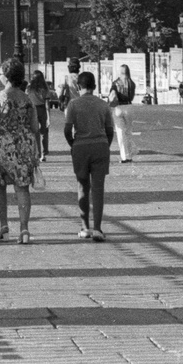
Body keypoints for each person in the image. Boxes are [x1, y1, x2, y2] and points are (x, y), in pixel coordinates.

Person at [0, 60, 41, 244]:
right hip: (24, 146)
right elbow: (35, 127)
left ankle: (4, 227)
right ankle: (24, 229)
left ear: (6, 76)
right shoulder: (27, 100)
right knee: (22, 187)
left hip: (2, 146)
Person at [62, 70, 115, 242]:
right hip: (100, 146)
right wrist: (106, 144)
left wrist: (73, 144)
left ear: (79, 86)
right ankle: (98, 229)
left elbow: (67, 129)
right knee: (98, 189)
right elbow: (109, 130)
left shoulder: (73, 105)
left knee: (82, 187)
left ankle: (85, 228)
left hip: (81, 148)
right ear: (95, 86)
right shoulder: (103, 105)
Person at [109, 64, 137, 164]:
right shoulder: (131, 83)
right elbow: (132, 97)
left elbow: (112, 94)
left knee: (120, 133)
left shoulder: (115, 83)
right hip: (128, 107)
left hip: (118, 108)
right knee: (128, 132)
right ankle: (129, 156)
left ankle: (124, 156)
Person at [25, 70, 50, 161]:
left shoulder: (29, 87)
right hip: (42, 109)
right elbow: (47, 103)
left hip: (32, 109)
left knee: (35, 132)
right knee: (44, 132)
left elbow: (26, 99)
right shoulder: (45, 87)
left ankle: (38, 153)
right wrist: (48, 117)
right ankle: (44, 152)